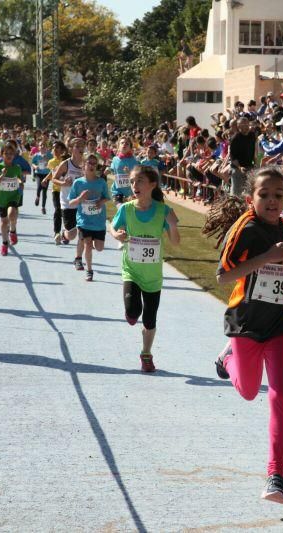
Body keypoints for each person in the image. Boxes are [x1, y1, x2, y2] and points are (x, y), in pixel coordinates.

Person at [204, 168, 283, 505]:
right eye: (265, 195)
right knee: (247, 392)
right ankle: (228, 358)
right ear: (251, 199)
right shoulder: (244, 229)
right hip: (246, 322)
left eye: (279, 194)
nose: (273, 200)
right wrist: (266, 257)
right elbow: (222, 276)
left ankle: (277, 475)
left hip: (282, 321)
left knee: (280, 394)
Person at [110, 165, 179, 371]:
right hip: (131, 270)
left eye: (139, 181)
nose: (134, 185)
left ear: (152, 184)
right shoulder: (126, 209)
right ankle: (131, 312)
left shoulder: (163, 211)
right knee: (133, 312)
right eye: (132, 181)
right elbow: (112, 227)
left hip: (153, 276)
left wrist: (173, 225)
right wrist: (116, 235)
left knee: (149, 320)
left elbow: (175, 242)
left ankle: (146, 353)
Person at [67, 153, 110, 281]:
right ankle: (89, 270)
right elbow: (71, 202)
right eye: (89, 163)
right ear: (83, 165)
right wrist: (80, 198)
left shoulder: (101, 182)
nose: (91, 165)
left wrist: (101, 202)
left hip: (98, 221)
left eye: (94, 163)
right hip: (84, 221)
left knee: (99, 247)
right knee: (87, 244)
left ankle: (72, 238)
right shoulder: (78, 183)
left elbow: (107, 197)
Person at [51, 137, 85, 265]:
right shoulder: (66, 164)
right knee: (72, 235)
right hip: (67, 203)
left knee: (81, 232)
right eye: (77, 146)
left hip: (82, 203)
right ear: (71, 149)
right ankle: (64, 235)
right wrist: (63, 183)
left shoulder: (85, 165)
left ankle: (78, 259)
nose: (81, 148)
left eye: (82, 146)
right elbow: (54, 179)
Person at [0, 143, 25, 257]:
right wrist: (2, 176)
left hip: (14, 196)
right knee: (4, 222)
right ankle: (4, 244)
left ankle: (13, 230)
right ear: (1, 155)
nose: (9, 156)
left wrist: (20, 183)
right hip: (2, 198)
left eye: (11, 153)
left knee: (12, 214)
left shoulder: (17, 168)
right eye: (6, 153)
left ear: (14, 155)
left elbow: (19, 178)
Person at [32, 140, 52, 215]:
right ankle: (37, 196)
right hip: (39, 173)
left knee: (45, 190)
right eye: (41, 145)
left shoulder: (50, 155)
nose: (42, 146)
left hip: (46, 174)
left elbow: (52, 162)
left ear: (46, 147)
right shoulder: (36, 155)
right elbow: (33, 163)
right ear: (38, 147)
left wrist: (49, 166)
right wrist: (35, 166)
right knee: (39, 186)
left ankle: (43, 207)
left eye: (44, 145)